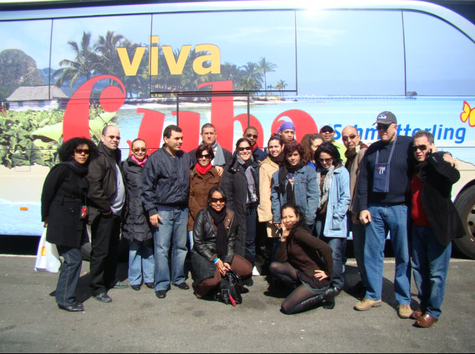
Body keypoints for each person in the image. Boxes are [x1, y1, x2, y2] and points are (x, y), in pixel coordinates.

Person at [354, 111, 414, 318]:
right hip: (375, 209)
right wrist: (363, 207)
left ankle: (404, 300)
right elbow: (363, 182)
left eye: (385, 127)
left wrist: (443, 156)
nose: (381, 131)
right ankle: (372, 295)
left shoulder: (408, 145)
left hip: (400, 208)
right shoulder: (372, 150)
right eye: (378, 127)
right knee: (372, 253)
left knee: (403, 255)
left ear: (395, 127)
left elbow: (426, 157)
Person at [409, 130, 464, 328]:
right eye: (415, 147)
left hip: (436, 229)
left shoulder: (439, 165)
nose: (418, 151)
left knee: (436, 273)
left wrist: (438, 156)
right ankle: (423, 305)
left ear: (431, 146)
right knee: (419, 269)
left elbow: (453, 176)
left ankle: (433, 311)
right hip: (418, 228)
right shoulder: (416, 167)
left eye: (423, 147)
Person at [41, 137, 97, 312]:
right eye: (79, 151)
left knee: (74, 260)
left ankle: (65, 294)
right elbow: (47, 193)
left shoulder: (82, 171)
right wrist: (46, 217)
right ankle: (66, 299)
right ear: (71, 152)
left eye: (86, 152)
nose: (83, 154)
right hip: (63, 223)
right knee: (73, 260)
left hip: (76, 223)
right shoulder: (62, 169)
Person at [142, 125, 193, 299]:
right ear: (166, 139)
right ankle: (162, 283)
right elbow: (147, 187)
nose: (180, 141)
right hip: (163, 210)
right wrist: (151, 210)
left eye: (181, 138)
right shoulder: (155, 159)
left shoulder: (185, 158)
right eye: (177, 138)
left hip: (182, 209)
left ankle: (178, 278)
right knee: (162, 249)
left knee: (181, 246)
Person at [269, 204, 336, 314]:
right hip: (302, 272)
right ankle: (298, 288)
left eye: (291, 217)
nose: (287, 220)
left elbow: (326, 248)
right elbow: (281, 259)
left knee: (287, 307)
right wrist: (284, 238)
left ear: (298, 217)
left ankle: (325, 295)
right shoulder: (289, 233)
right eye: (284, 217)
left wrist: (328, 272)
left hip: (314, 278)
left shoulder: (300, 233)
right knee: (274, 266)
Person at [87, 125, 127, 303]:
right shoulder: (97, 157)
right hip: (104, 214)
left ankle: (109, 280)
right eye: (111, 137)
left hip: (114, 213)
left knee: (112, 250)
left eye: (117, 137)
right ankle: (97, 287)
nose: (115, 140)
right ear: (102, 138)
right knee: (100, 252)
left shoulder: (114, 154)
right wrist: (105, 209)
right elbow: (93, 189)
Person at [191, 187, 253, 299]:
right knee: (212, 281)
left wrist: (227, 261)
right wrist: (216, 260)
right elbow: (198, 243)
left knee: (247, 268)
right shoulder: (202, 215)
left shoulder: (231, 215)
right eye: (214, 200)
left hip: (223, 253)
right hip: (206, 254)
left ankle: (222, 278)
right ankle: (200, 288)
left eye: (221, 200)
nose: (218, 203)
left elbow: (230, 241)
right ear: (209, 201)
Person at [314, 142, 351, 294]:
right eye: (322, 159)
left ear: (334, 157)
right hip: (319, 218)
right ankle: (325, 279)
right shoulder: (317, 171)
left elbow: (345, 198)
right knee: (321, 251)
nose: (324, 163)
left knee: (334, 253)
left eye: (328, 159)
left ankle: (336, 283)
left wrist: (337, 215)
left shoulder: (341, 172)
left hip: (334, 218)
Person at [221, 138, 259, 270]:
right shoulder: (231, 168)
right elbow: (227, 193)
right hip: (237, 210)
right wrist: (230, 213)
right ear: (237, 150)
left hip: (252, 209)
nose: (245, 151)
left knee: (250, 241)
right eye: (241, 149)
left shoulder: (255, 166)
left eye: (247, 148)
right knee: (238, 241)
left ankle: (249, 268)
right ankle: (239, 271)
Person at [121, 138, 154, 291]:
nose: (140, 152)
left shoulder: (152, 164)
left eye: (143, 149)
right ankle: (135, 278)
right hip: (133, 212)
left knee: (148, 246)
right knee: (134, 247)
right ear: (132, 150)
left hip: (149, 211)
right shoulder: (125, 166)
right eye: (136, 149)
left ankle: (149, 277)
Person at [341, 125, 368, 298]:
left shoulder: (364, 153)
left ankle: (369, 287)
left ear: (358, 137)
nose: (348, 141)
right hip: (354, 210)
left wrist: (359, 209)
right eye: (345, 138)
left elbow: (362, 185)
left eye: (352, 137)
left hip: (359, 211)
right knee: (359, 250)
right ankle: (365, 282)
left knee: (365, 250)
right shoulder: (350, 156)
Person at [271, 141, 319, 230]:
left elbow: (313, 196)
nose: (293, 158)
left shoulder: (309, 172)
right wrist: (277, 218)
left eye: (295, 154)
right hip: (286, 219)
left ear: (300, 155)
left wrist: (309, 219)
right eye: (289, 155)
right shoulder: (278, 174)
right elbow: (275, 198)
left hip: (303, 218)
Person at [188, 144, 221, 249]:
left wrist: (209, 217)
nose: (203, 158)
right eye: (201, 156)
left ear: (211, 157)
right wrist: (200, 216)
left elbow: (219, 196)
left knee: (211, 252)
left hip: (212, 220)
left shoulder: (216, 174)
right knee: (195, 250)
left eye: (207, 156)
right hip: (193, 220)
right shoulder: (191, 174)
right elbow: (189, 195)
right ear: (197, 157)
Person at [258, 135, 285, 261]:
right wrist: (268, 216)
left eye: (276, 146)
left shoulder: (288, 162)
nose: (274, 149)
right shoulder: (265, 166)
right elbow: (264, 193)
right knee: (276, 244)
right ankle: (275, 274)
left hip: (288, 211)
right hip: (274, 212)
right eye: (271, 147)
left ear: (282, 147)